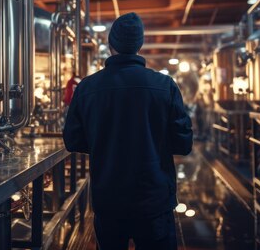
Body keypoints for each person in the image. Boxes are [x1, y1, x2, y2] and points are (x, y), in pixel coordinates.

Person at [63, 12, 193, 250]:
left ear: (110, 44)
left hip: (108, 200)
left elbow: (72, 141)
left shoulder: (87, 88)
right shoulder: (165, 86)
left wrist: (103, 142)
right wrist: (154, 143)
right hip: (154, 199)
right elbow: (183, 144)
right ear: (139, 45)